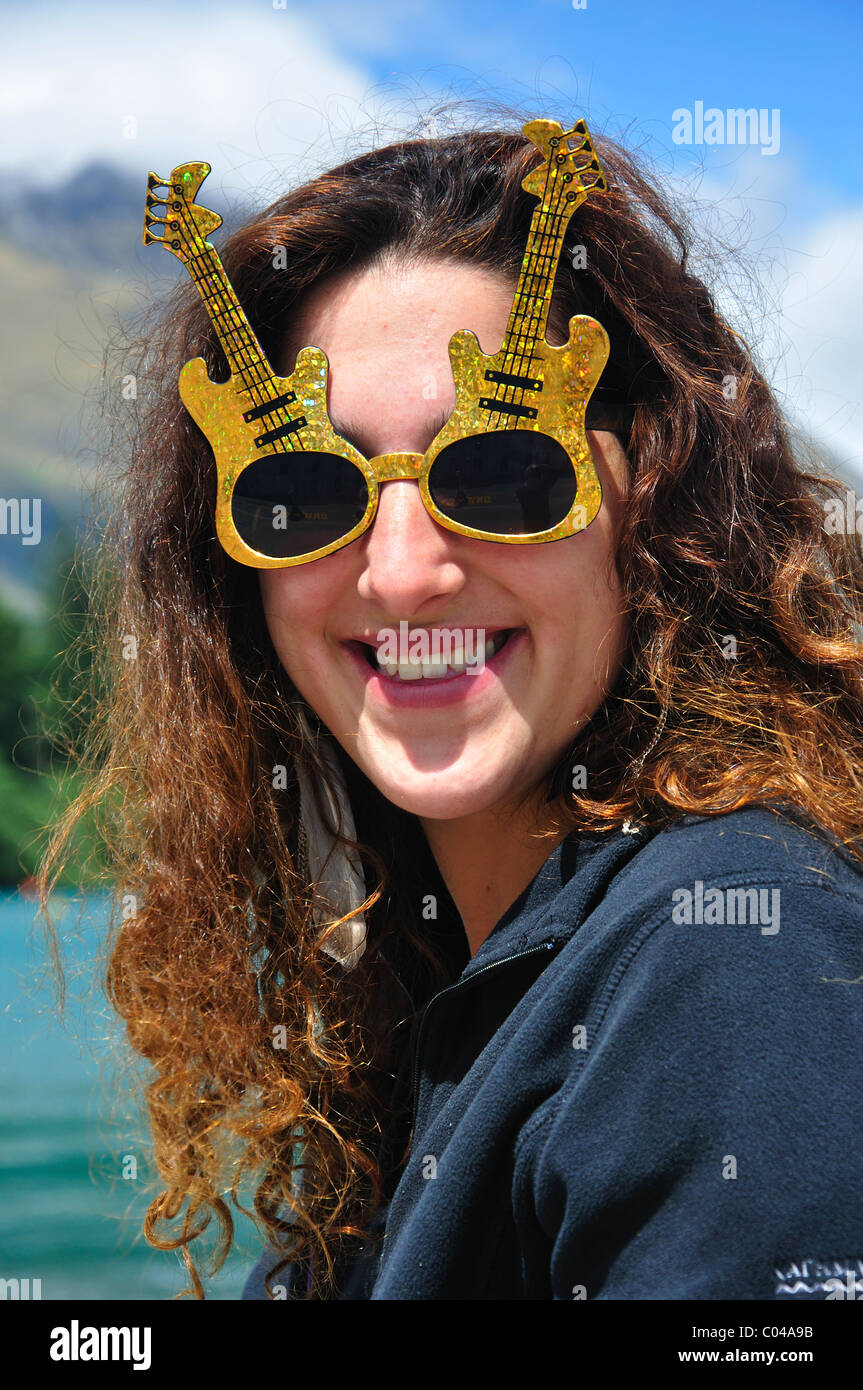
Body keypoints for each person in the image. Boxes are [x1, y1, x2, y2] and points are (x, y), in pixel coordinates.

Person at [42, 115, 863, 1302]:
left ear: (655, 503)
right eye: (303, 494)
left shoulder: (732, 958)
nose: (400, 570)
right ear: (240, 577)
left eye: (503, 470)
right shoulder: (431, 1001)